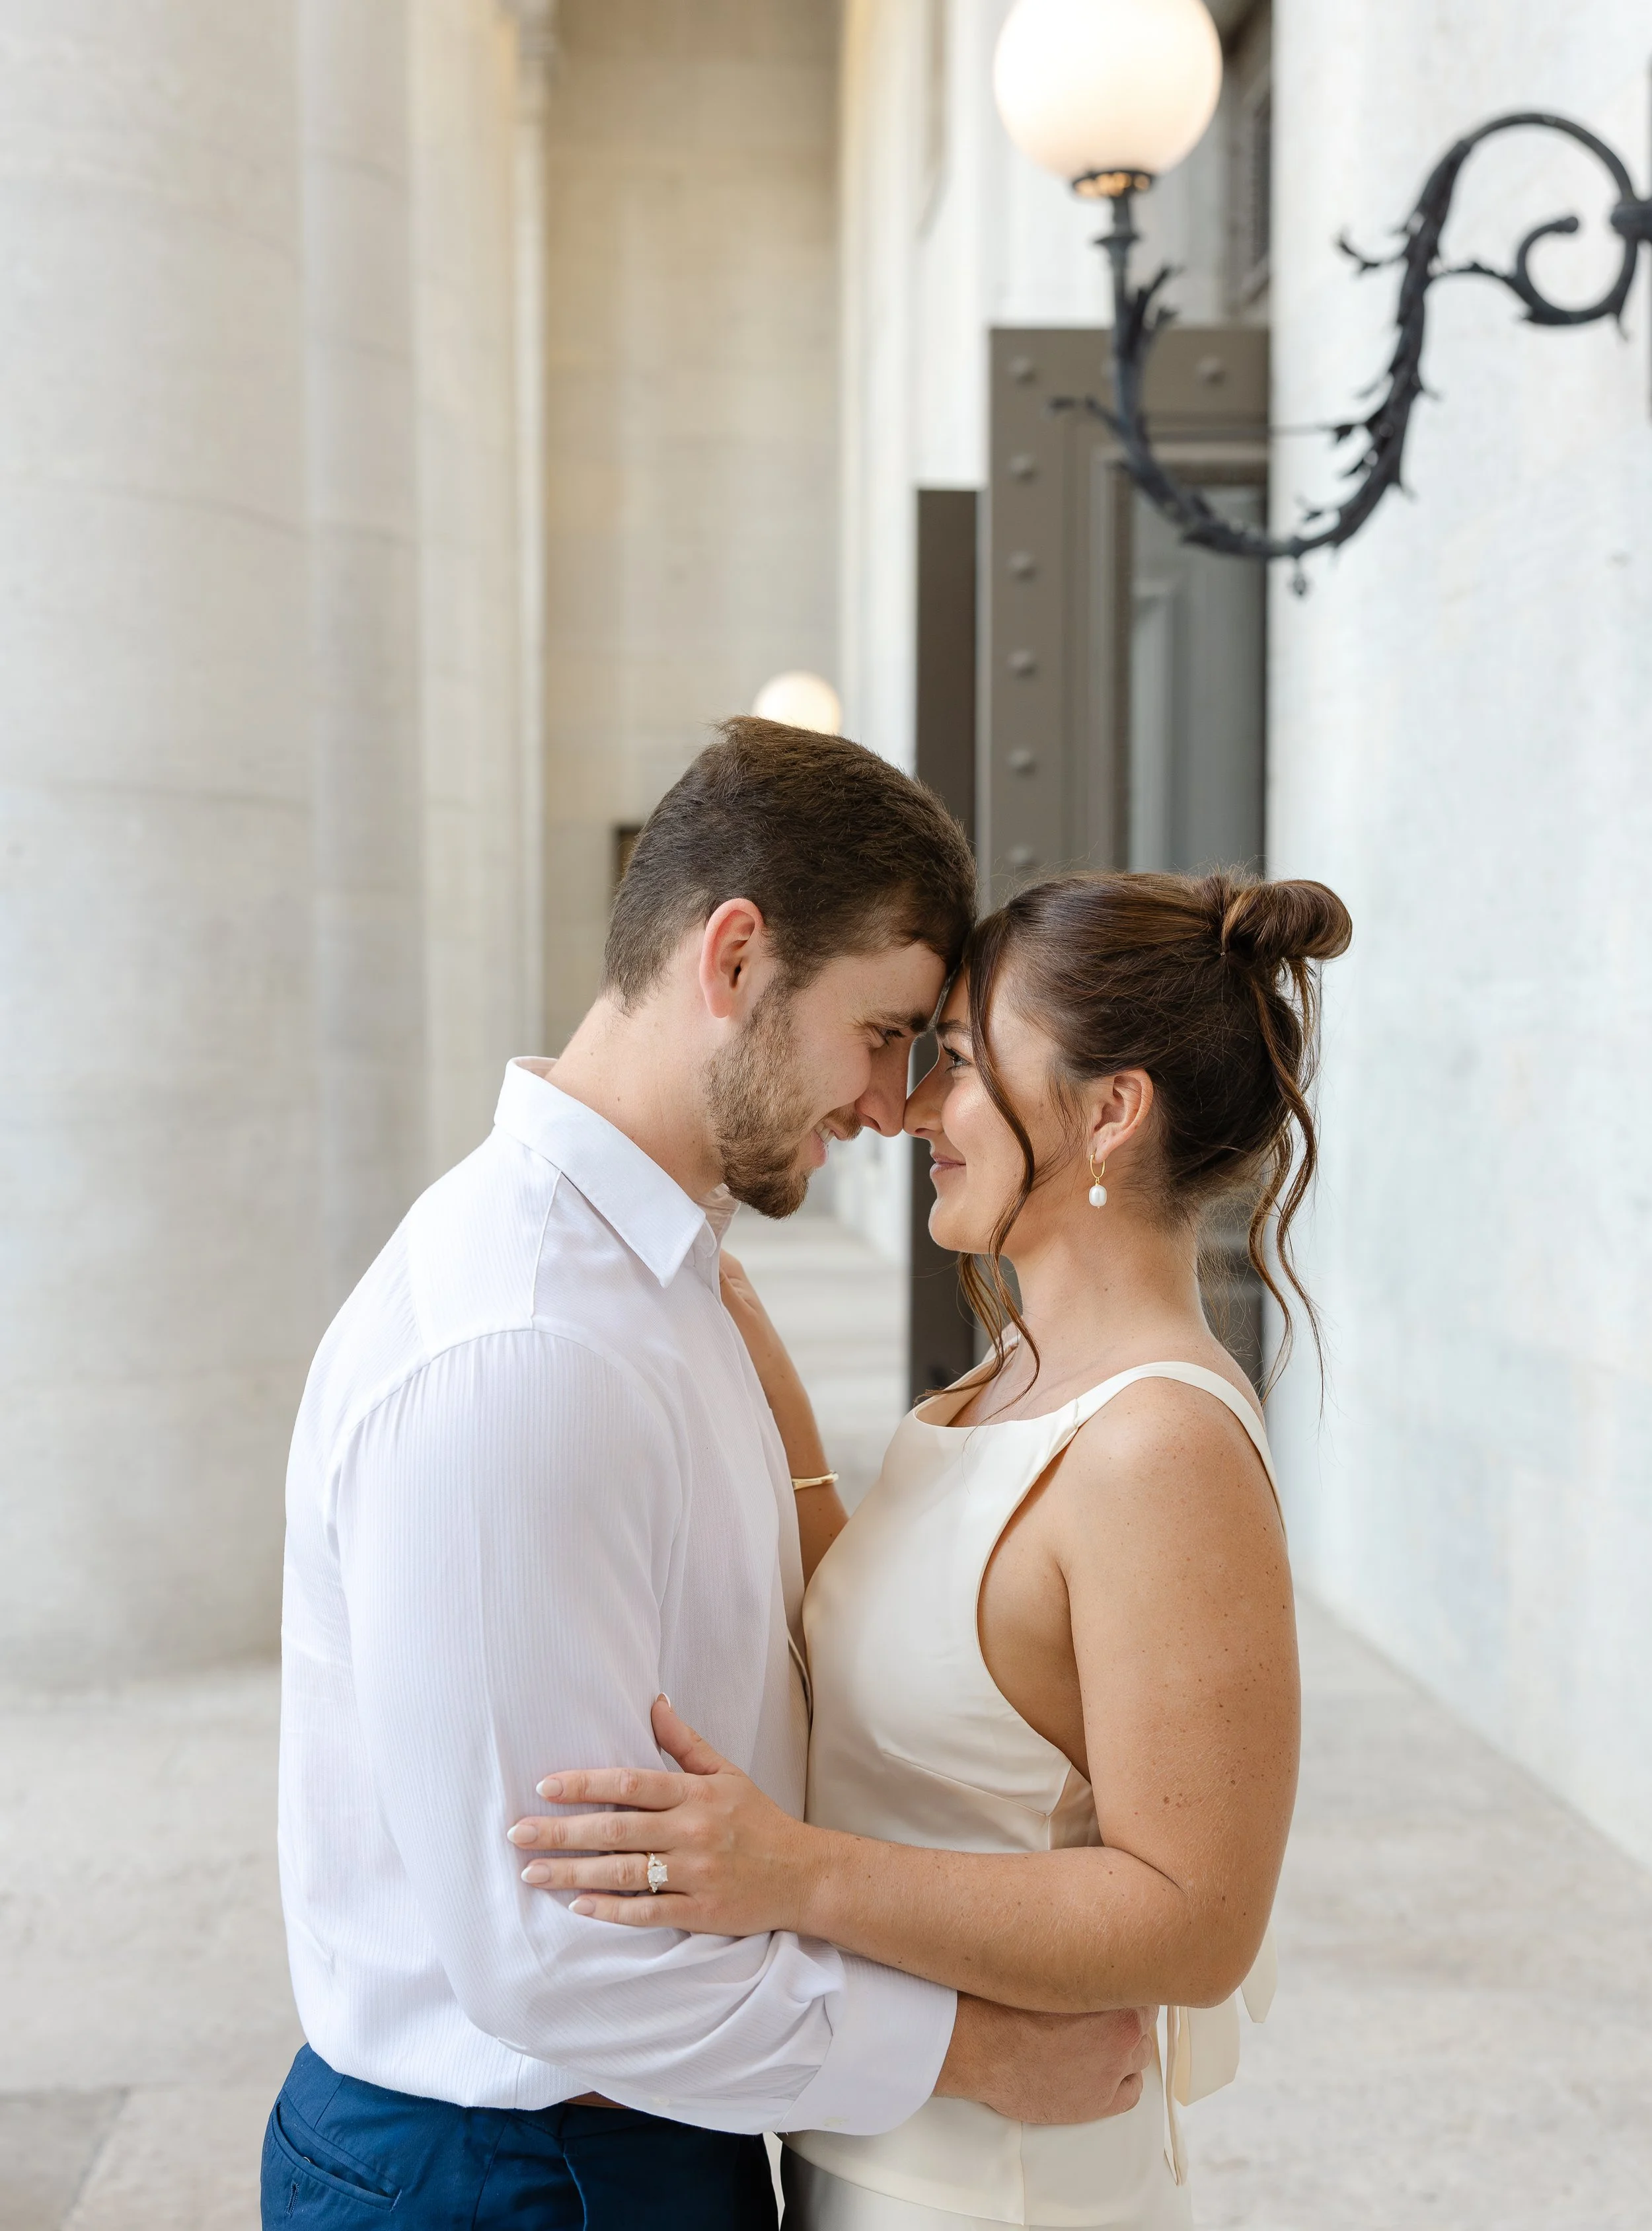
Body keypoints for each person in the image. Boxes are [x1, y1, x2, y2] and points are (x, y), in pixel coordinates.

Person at [264, 722, 1155, 2231]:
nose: (894, 1106)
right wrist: (984, 2048)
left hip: (626, 2144)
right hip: (516, 2175)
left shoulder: (657, 1278)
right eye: (883, 1032)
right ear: (733, 958)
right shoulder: (525, 1346)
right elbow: (550, 1959)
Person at [507, 866, 1353, 2228]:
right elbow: (927, 1665)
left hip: (1011, 2188)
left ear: (1107, 1110)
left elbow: (1195, 1918)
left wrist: (790, 1869)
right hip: (880, 2149)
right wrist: (755, 1369)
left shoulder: (1157, 1447)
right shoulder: (1014, 1368)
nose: (908, 1108)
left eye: (955, 1060)